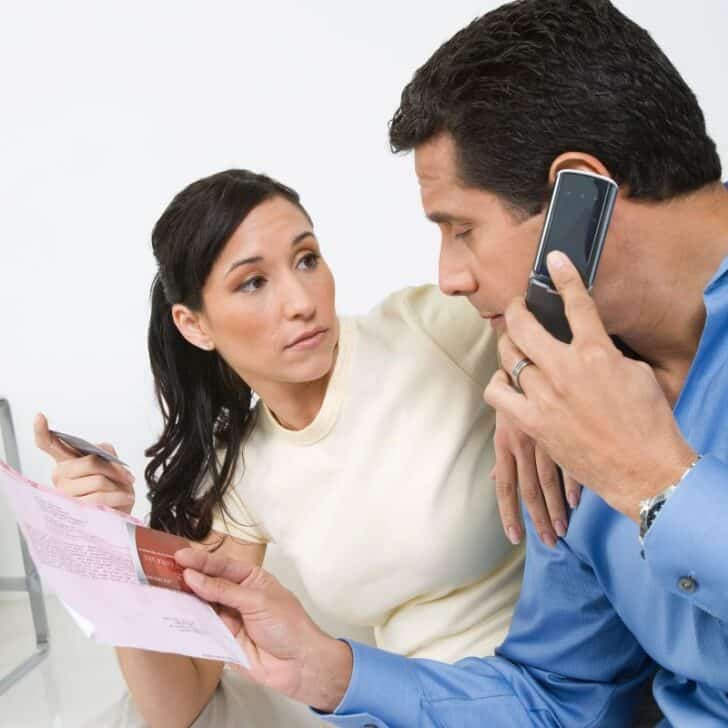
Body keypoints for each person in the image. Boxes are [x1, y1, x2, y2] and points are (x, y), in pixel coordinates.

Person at [169, 1, 728, 725]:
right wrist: (333, 672)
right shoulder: (571, 403)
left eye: (461, 229)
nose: (451, 276)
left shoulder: (605, 438)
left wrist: (655, 483)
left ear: (577, 198)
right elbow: (560, 699)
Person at [35, 168, 537, 728]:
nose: (301, 301)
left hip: (544, 688)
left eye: (307, 259)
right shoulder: (243, 470)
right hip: (411, 704)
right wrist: (108, 546)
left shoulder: (429, 331)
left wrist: (526, 375)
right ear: (194, 325)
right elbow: (180, 707)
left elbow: (565, 292)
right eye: (253, 282)